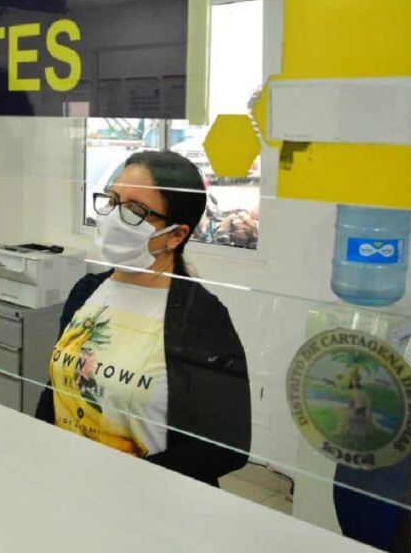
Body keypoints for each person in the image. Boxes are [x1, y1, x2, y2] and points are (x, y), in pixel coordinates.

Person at [35, 150, 250, 486]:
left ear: (176, 235)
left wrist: (127, 481)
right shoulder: (87, 291)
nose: (114, 217)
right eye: (113, 200)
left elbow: (227, 448)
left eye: (136, 210)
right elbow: (56, 389)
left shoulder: (200, 318)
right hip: (69, 482)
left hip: (147, 497)